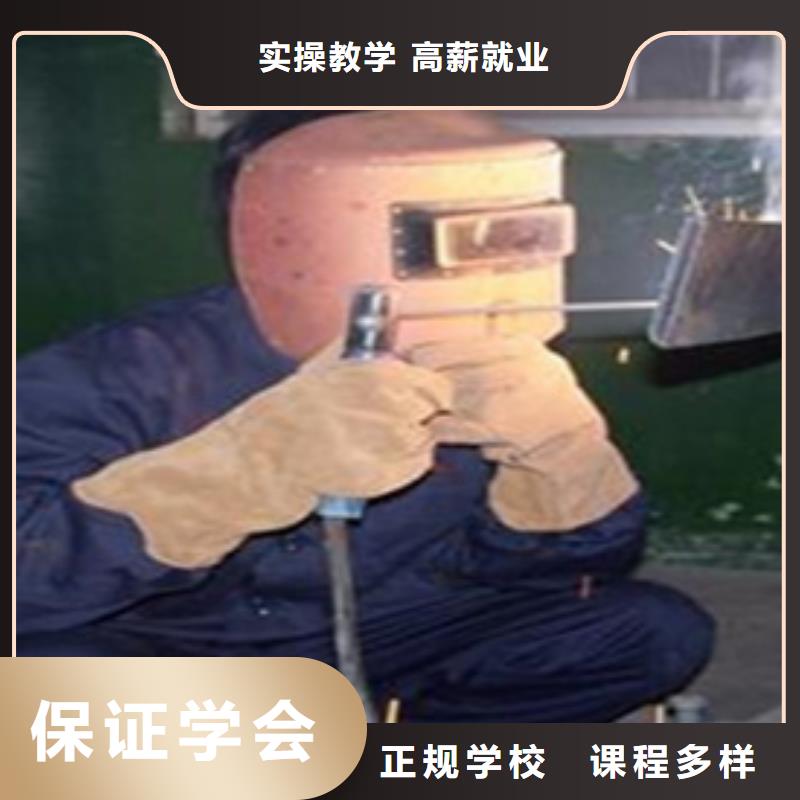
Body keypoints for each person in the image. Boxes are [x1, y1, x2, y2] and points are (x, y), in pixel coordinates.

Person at [16, 111, 713, 722]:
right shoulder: (127, 369)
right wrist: (241, 470)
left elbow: (566, 573)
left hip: (384, 626)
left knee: (651, 631)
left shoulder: (501, 361)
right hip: (174, 638)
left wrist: (561, 461)